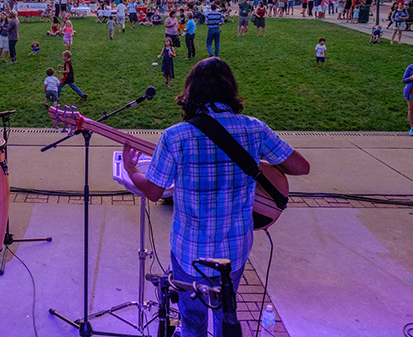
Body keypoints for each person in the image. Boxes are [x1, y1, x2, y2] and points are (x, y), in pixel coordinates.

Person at [122, 57, 310, 337]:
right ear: (230, 90)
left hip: (189, 253)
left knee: (192, 321)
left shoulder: (175, 137)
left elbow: (152, 191)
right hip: (234, 251)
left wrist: (130, 168)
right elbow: (301, 167)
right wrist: (261, 165)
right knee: (227, 317)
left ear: (191, 92)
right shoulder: (254, 129)